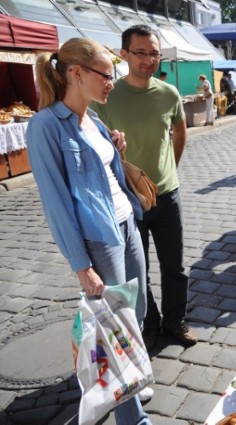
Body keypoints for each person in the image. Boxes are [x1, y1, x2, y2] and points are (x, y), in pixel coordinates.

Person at [26, 37, 151, 424]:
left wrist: (115, 149)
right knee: (114, 330)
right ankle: (132, 417)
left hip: (126, 224)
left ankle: (133, 378)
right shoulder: (45, 127)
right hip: (99, 239)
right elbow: (56, 203)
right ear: (76, 73)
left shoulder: (94, 120)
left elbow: (106, 175)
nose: (111, 82)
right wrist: (82, 265)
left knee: (137, 311)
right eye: (106, 75)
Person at [92, 24, 196, 349]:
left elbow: (180, 131)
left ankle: (175, 322)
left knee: (174, 267)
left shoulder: (168, 94)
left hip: (167, 195)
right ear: (124, 54)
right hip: (127, 200)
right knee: (138, 270)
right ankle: (149, 323)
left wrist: (170, 169)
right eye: (141, 53)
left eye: (154, 53)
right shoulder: (107, 96)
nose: (149, 60)